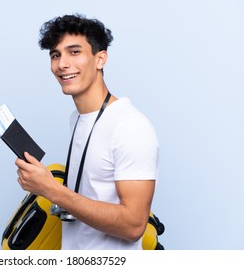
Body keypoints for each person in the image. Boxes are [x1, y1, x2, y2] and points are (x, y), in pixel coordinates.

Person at [15, 14, 159, 250]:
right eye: (55, 55)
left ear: (100, 59)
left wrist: (51, 190)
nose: (62, 64)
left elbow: (133, 226)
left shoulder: (130, 126)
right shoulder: (78, 118)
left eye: (74, 52)